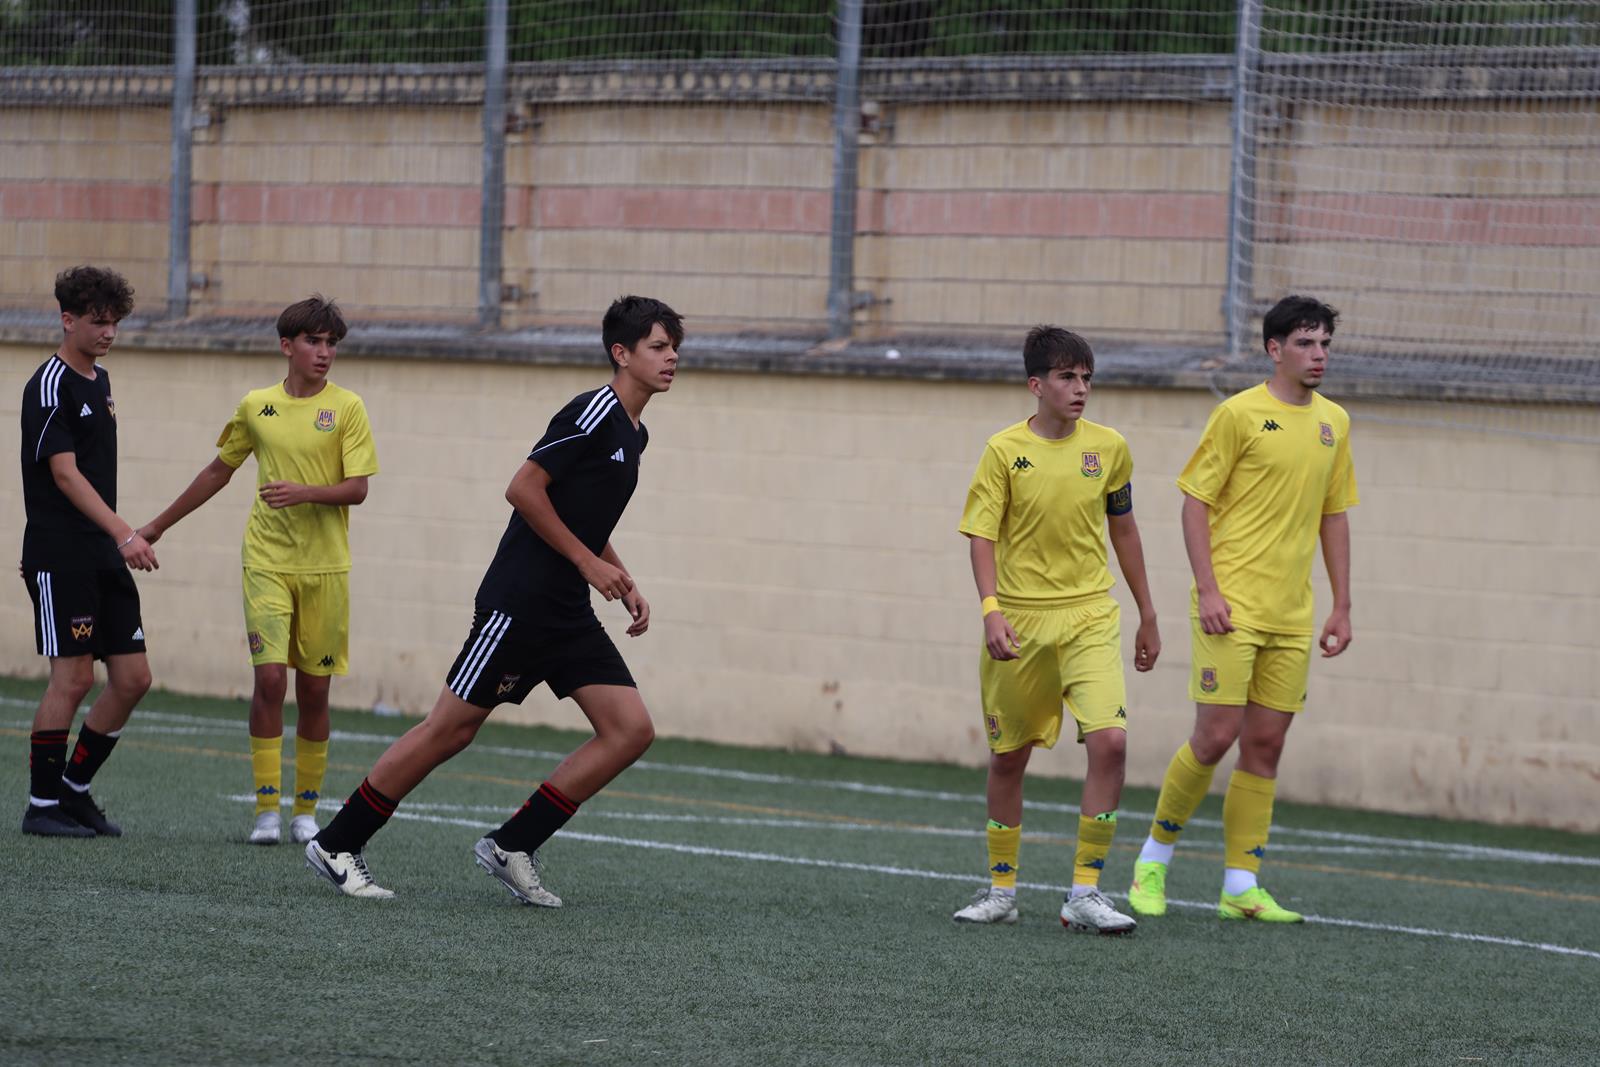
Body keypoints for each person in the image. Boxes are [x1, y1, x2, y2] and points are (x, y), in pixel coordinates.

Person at [304, 294, 681, 902]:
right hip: (519, 604)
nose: (671, 358)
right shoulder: (592, 411)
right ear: (621, 353)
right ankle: (337, 842)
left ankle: (512, 845)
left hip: (567, 613)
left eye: (673, 347)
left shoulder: (634, 433)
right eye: (658, 347)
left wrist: (622, 576)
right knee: (449, 731)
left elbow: (583, 514)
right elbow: (524, 489)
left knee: (629, 730)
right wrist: (588, 564)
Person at [1127, 294, 1357, 924]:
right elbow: (1194, 502)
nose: (1318, 355)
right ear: (1274, 349)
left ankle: (1240, 885)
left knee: (1265, 744)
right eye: (1305, 343)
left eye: (1325, 343)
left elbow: (1334, 515)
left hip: (1292, 613)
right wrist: (1207, 589)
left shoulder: (1336, 422)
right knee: (1215, 736)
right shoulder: (1238, 414)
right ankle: (1152, 861)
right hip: (1230, 607)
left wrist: (1341, 604)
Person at [140, 297, 378, 846]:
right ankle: (267, 811)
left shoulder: (348, 407)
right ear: (286, 346)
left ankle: (305, 813)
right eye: (313, 341)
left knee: (314, 691)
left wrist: (305, 492)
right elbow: (217, 471)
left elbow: (358, 489)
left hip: (325, 569)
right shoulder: (256, 406)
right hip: (266, 561)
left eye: (331, 343)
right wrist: (157, 525)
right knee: (270, 680)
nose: (324, 352)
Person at [953, 326, 1160, 933]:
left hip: (1091, 614)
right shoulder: (1002, 451)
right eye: (1067, 377)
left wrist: (1148, 612)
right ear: (1036, 385)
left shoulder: (1110, 448)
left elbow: (1124, 528)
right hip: (1020, 620)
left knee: (1111, 743)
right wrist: (991, 609)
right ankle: (1001, 890)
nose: (1080, 388)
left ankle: (1085, 892)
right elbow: (981, 535)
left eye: (1087, 378)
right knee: (1009, 757)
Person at [19, 265, 155, 837]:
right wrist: (125, 533)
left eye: (115, 322)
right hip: (62, 556)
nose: (109, 332)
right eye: (99, 322)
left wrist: (114, 540)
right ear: (67, 319)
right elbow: (66, 476)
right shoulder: (50, 384)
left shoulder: (100, 380)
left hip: (102, 553)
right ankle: (41, 807)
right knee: (73, 680)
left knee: (133, 678)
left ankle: (73, 791)